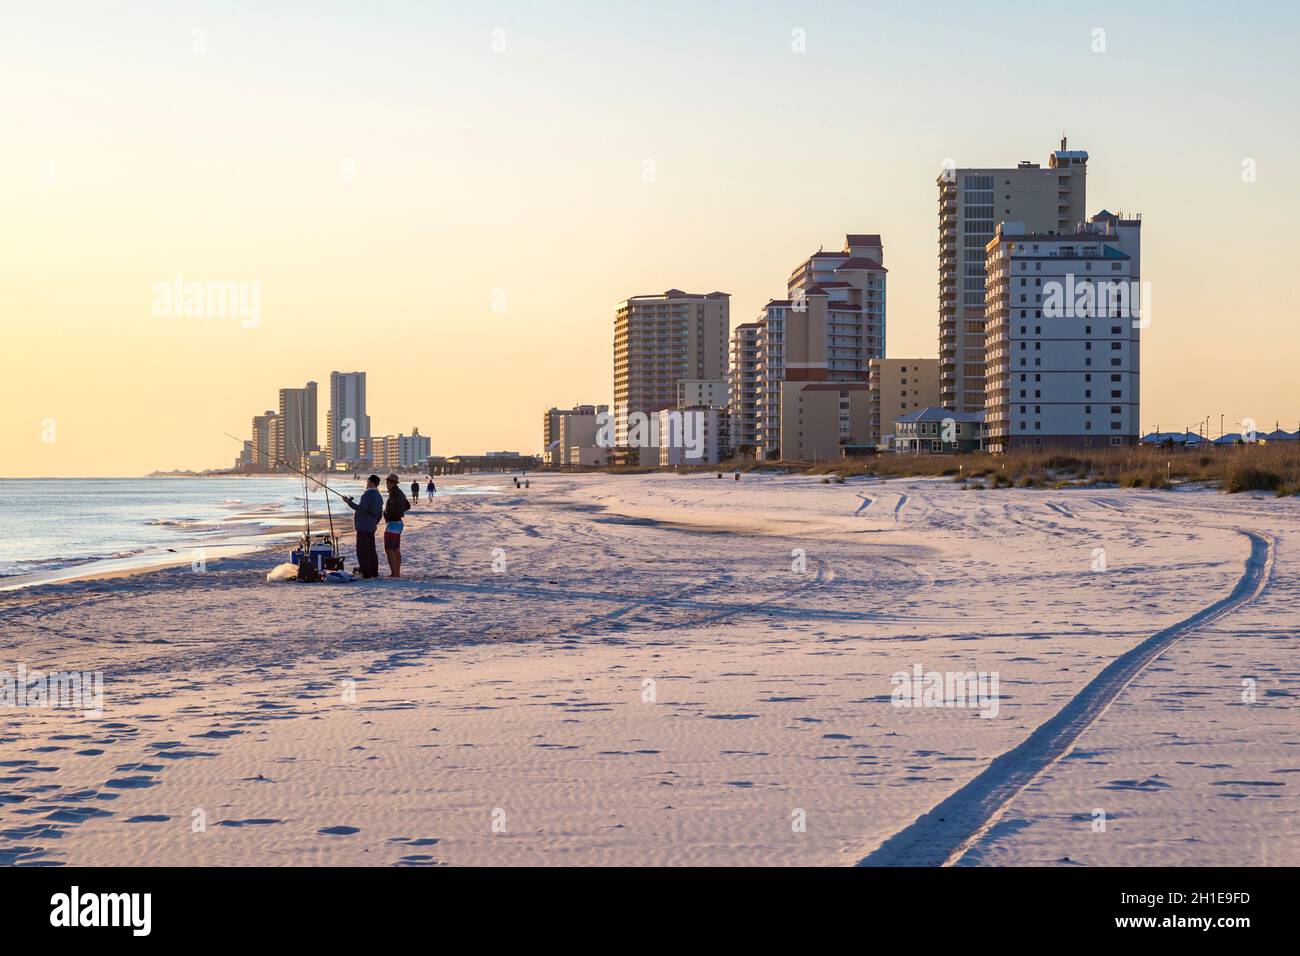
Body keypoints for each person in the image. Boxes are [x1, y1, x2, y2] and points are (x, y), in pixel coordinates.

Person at [343, 474, 383, 579]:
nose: (366, 483)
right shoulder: (378, 495)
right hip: (371, 526)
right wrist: (374, 523)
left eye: (368, 481)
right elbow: (380, 514)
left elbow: (361, 508)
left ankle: (366, 572)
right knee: (371, 550)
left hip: (363, 526)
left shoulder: (368, 494)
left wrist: (349, 503)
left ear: (371, 482)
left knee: (362, 550)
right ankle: (373, 571)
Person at [383, 473, 411, 578]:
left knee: (389, 549)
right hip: (398, 523)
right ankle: (396, 573)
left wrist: (388, 513)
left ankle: (394, 573)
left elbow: (398, 507)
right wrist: (400, 512)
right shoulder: (399, 493)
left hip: (393, 523)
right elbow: (407, 505)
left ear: (391, 483)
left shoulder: (394, 494)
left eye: (387, 482)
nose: (386, 484)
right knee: (395, 549)